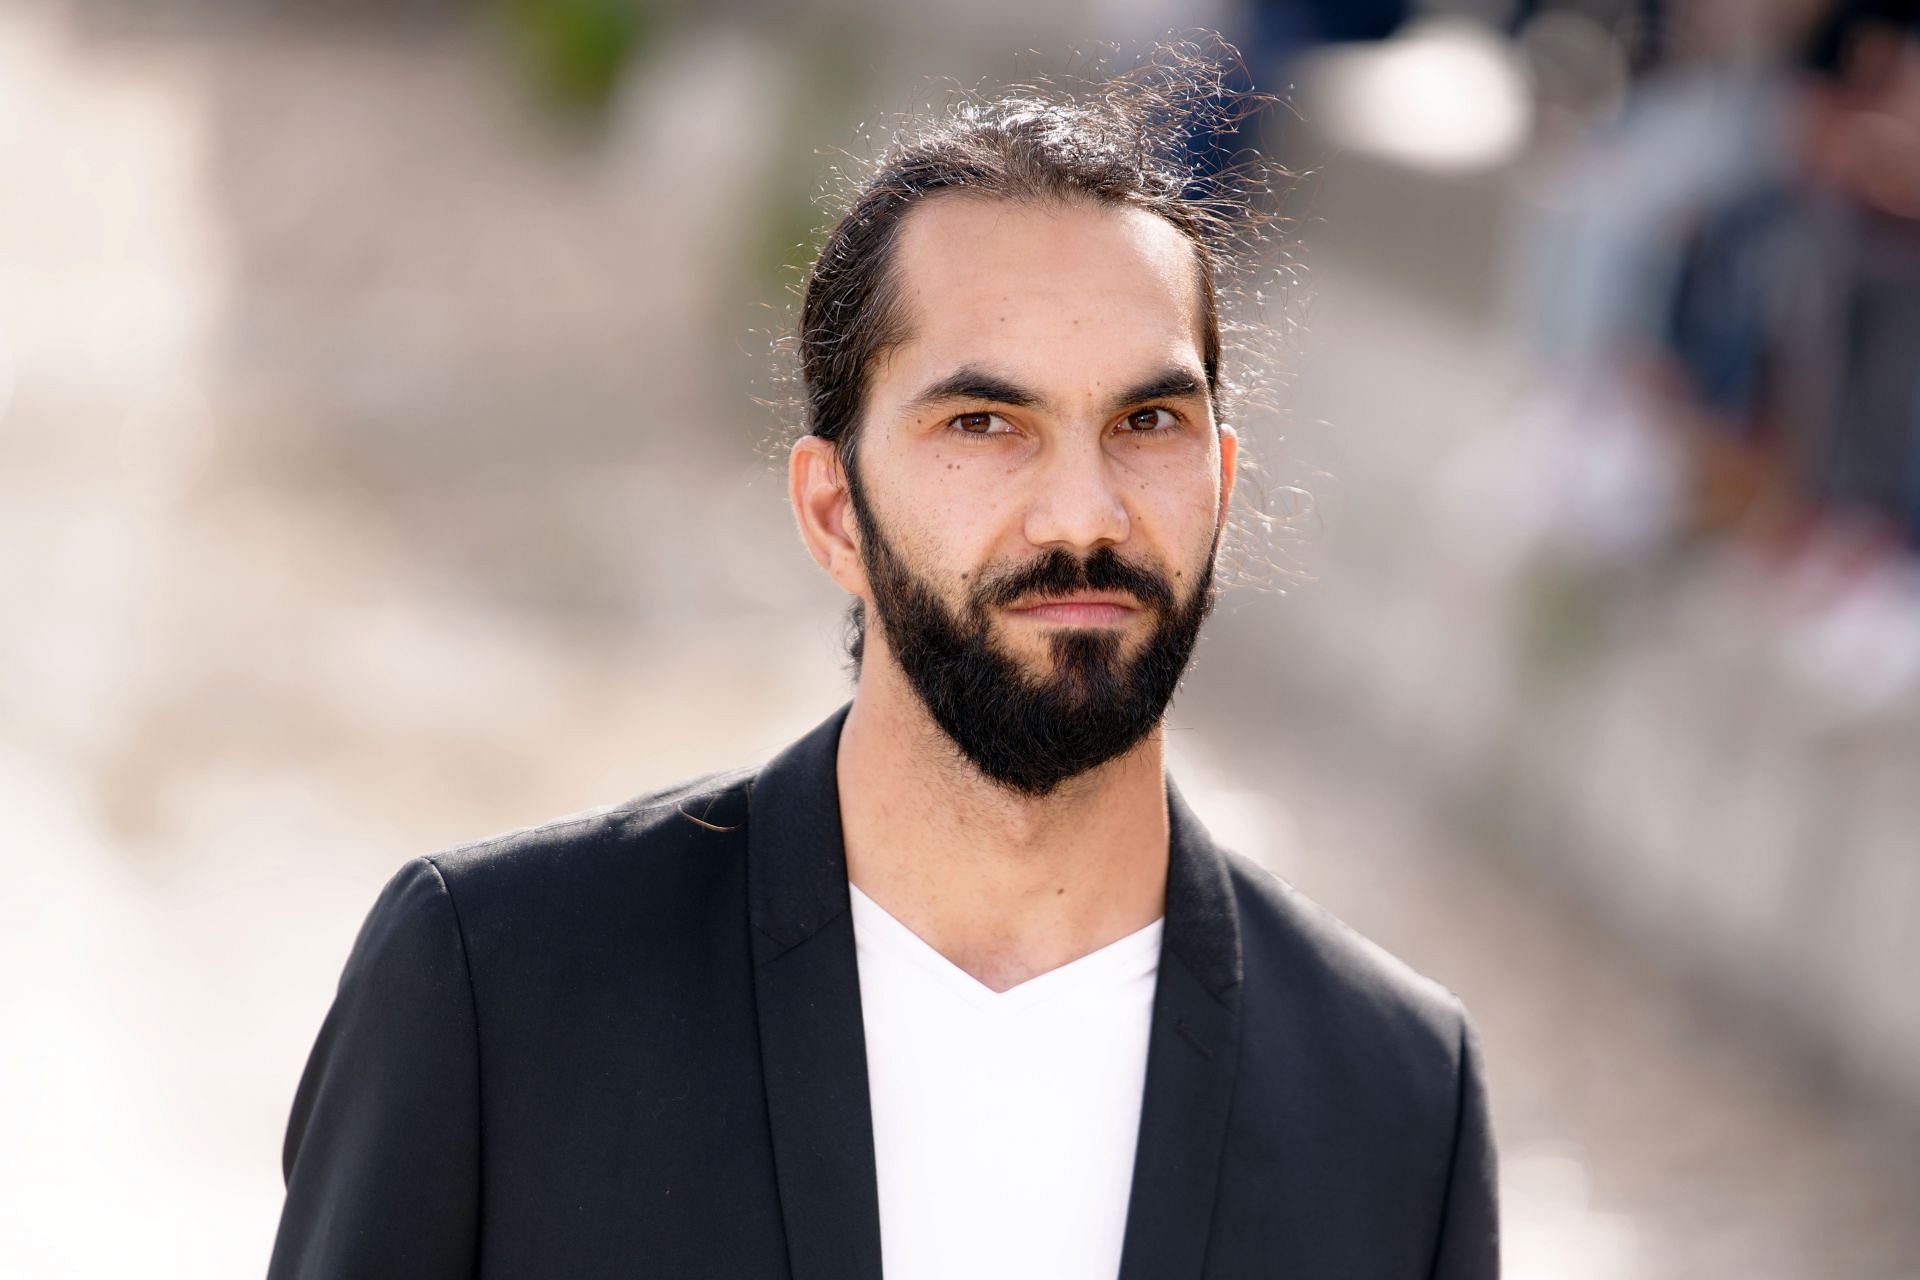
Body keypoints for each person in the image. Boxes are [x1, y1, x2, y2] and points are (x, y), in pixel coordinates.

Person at [267, 52, 1499, 1280]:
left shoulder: (1399, 1094)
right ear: (833, 512)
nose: (1085, 514)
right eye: (983, 424)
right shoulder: (497, 987)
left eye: (1146, 422)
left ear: (1223, 485)